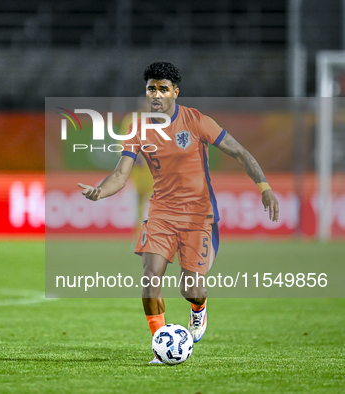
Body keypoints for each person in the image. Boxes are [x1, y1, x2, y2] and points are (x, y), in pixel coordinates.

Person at [77, 62, 279, 364]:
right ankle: (160, 342)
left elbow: (240, 152)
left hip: (199, 215)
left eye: (162, 88)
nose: (155, 94)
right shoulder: (138, 129)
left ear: (175, 91)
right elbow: (120, 175)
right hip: (161, 213)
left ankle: (199, 308)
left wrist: (264, 187)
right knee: (150, 277)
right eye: (150, 88)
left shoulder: (197, 122)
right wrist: (99, 192)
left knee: (190, 288)